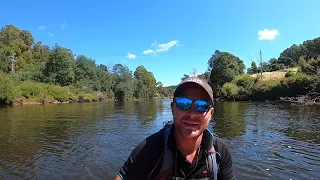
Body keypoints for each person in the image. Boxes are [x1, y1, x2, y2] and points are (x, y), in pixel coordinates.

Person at [115, 77, 235, 180]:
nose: (192, 113)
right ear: (172, 108)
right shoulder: (149, 149)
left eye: (202, 105)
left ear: (211, 113)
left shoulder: (220, 152)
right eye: (183, 103)